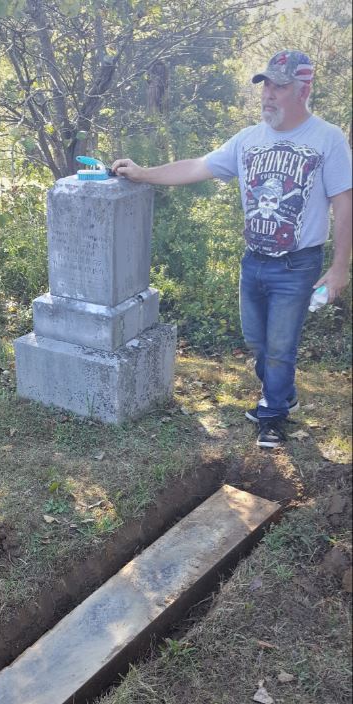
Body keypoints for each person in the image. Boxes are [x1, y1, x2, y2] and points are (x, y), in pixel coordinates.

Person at [112, 49, 352, 449]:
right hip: (253, 260)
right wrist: (142, 174)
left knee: (279, 347)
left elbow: (345, 201)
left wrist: (340, 265)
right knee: (258, 342)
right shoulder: (248, 140)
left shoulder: (327, 139)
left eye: (280, 86)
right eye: (266, 85)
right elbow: (196, 166)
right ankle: (285, 394)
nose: (269, 95)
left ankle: (273, 413)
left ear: (303, 89)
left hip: (297, 264)